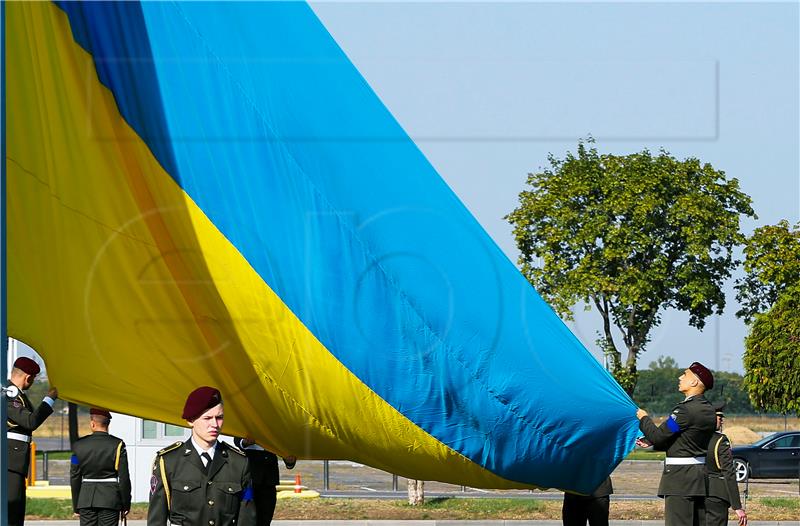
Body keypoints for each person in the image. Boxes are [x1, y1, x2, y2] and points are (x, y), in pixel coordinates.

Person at [147, 386, 255, 526]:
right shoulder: (168, 461)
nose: (214, 424)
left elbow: (247, 512)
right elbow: (157, 518)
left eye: (219, 417)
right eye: (207, 418)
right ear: (191, 420)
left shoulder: (239, 462)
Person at [636, 361, 716, 526]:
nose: (680, 377)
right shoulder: (708, 409)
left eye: (685, 374)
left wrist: (643, 418)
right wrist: (652, 440)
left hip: (681, 480)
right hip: (698, 477)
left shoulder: (685, 411)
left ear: (694, 382)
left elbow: (659, 435)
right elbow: (683, 440)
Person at [5, 356, 59, 526]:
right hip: (9, 463)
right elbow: (30, 421)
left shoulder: (18, 395)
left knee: (17, 510)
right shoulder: (8, 394)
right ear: (28, 377)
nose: (34, 381)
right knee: (11, 510)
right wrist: (50, 399)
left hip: (15, 462)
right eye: (34, 378)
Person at [70, 408, 132, 526]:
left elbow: (74, 476)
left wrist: (76, 505)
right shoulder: (118, 445)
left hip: (86, 500)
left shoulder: (78, 445)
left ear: (92, 423)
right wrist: (125, 504)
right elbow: (124, 477)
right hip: (110, 499)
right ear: (108, 424)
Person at [233, 437, 296, 526]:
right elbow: (237, 439)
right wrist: (244, 442)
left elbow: (285, 444)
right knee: (245, 514)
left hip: (269, 481)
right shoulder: (250, 423)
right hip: (248, 481)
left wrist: (289, 461)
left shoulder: (277, 425)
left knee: (266, 516)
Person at [706, 403, 747, 526]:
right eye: (719, 418)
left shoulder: (694, 439)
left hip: (696, 491)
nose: (722, 422)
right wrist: (737, 506)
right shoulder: (721, 440)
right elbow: (728, 473)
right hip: (717, 495)